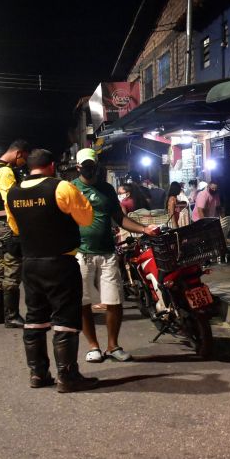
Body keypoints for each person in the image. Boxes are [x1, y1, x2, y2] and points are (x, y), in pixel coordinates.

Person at [5, 148, 98, 393]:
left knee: (35, 318)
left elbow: (15, 228)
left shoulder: (13, 194)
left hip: (31, 264)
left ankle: (38, 374)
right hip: (60, 263)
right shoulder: (61, 188)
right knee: (65, 319)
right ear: (52, 166)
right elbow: (86, 218)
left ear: (30, 167)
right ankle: (67, 377)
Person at [72, 148, 160, 364]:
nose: (90, 169)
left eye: (92, 165)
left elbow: (120, 218)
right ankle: (93, 346)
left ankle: (113, 346)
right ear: (78, 167)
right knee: (83, 303)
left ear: (97, 165)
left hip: (107, 253)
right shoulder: (70, 189)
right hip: (81, 254)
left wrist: (144, 229)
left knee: (114, 301)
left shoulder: (107, 189)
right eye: (86, 166)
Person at [0, 139, 30, 328]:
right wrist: (18, 228)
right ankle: (11, 316)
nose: (24, 162)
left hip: (0, 224)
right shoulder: (5, 171)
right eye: (25, 158)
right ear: (19, 153)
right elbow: (11, 200)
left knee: (1, 267)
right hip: (9, 224)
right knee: (12, 268)